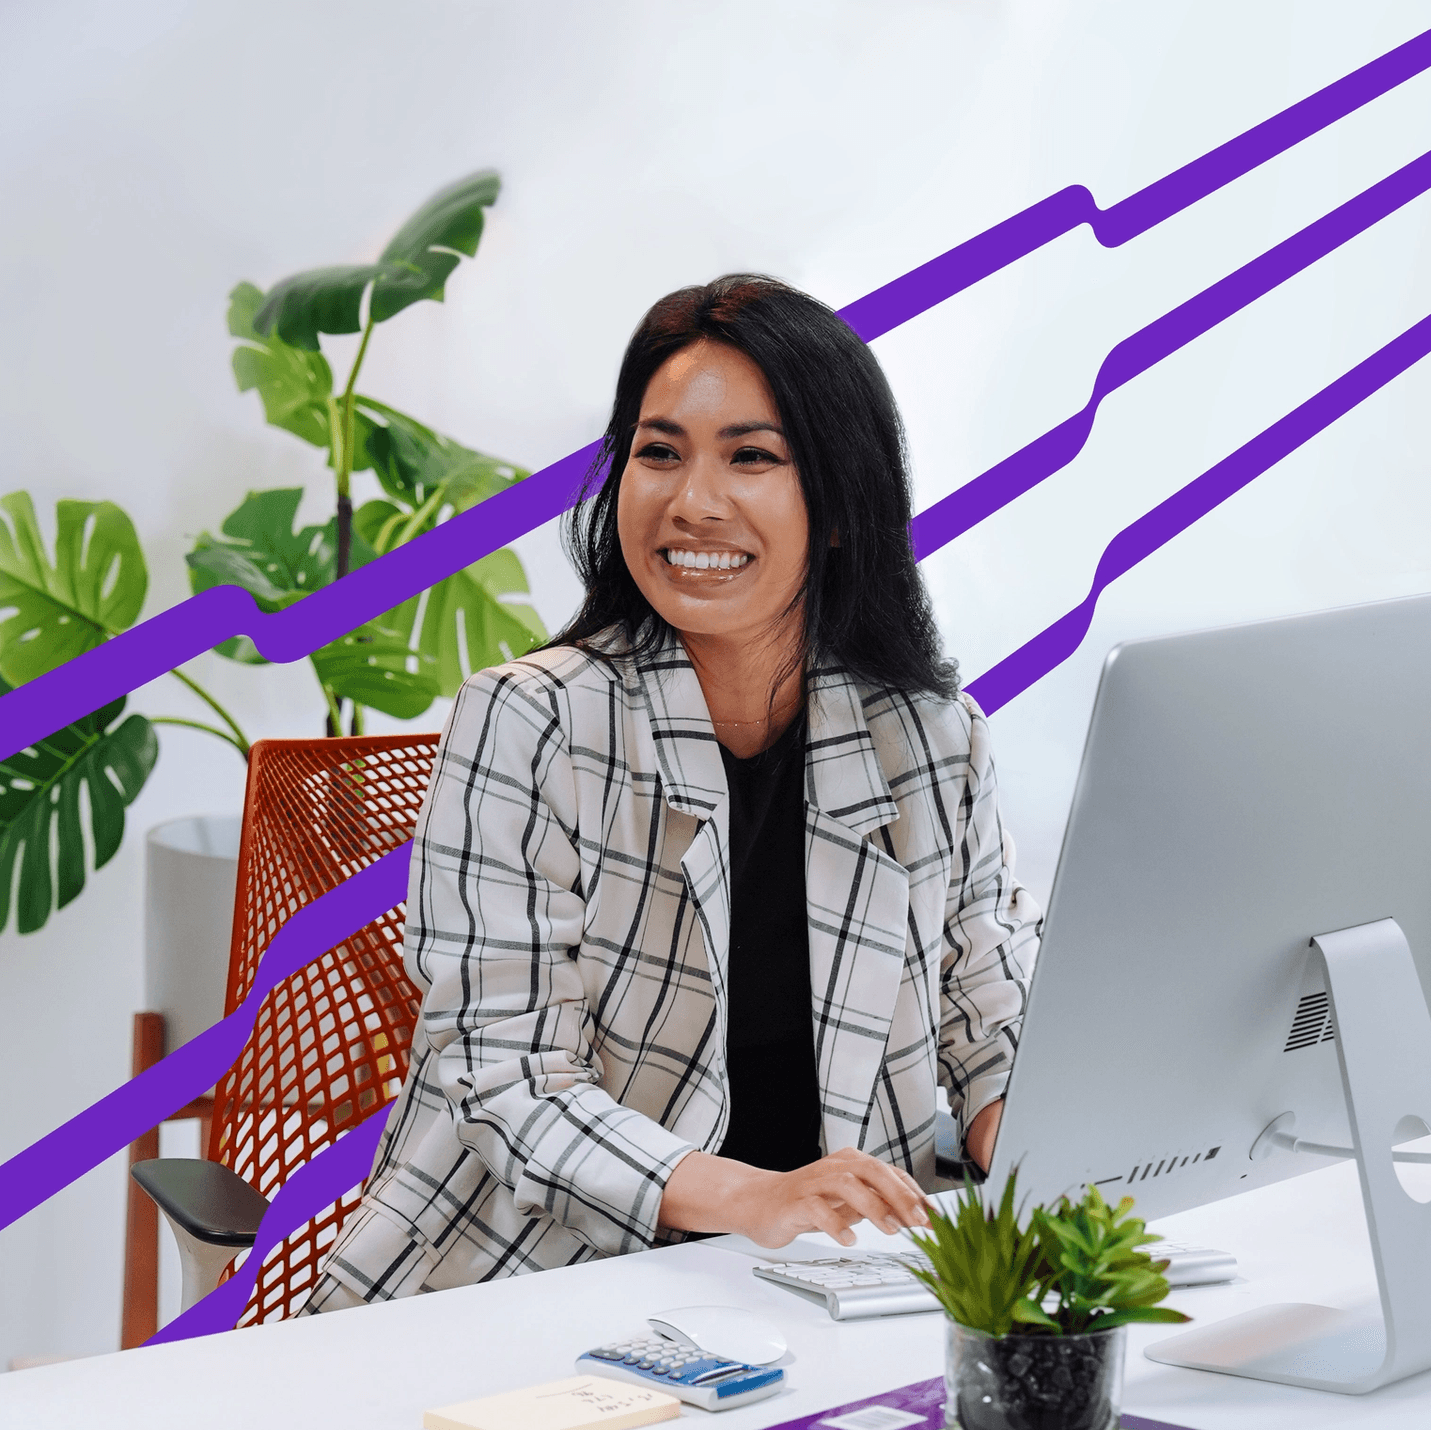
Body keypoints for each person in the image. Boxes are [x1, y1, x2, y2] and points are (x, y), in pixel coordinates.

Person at [300, 274, 1041, 1313]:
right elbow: (506, 1078)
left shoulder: (928, 735)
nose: (692, 499)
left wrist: (1042, 1140)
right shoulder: (531, 720)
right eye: (658, 452)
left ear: (836, 506)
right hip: (526, 1283)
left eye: (750, 455)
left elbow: (987, 1009)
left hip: (831, 1293)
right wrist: (759, 1197)